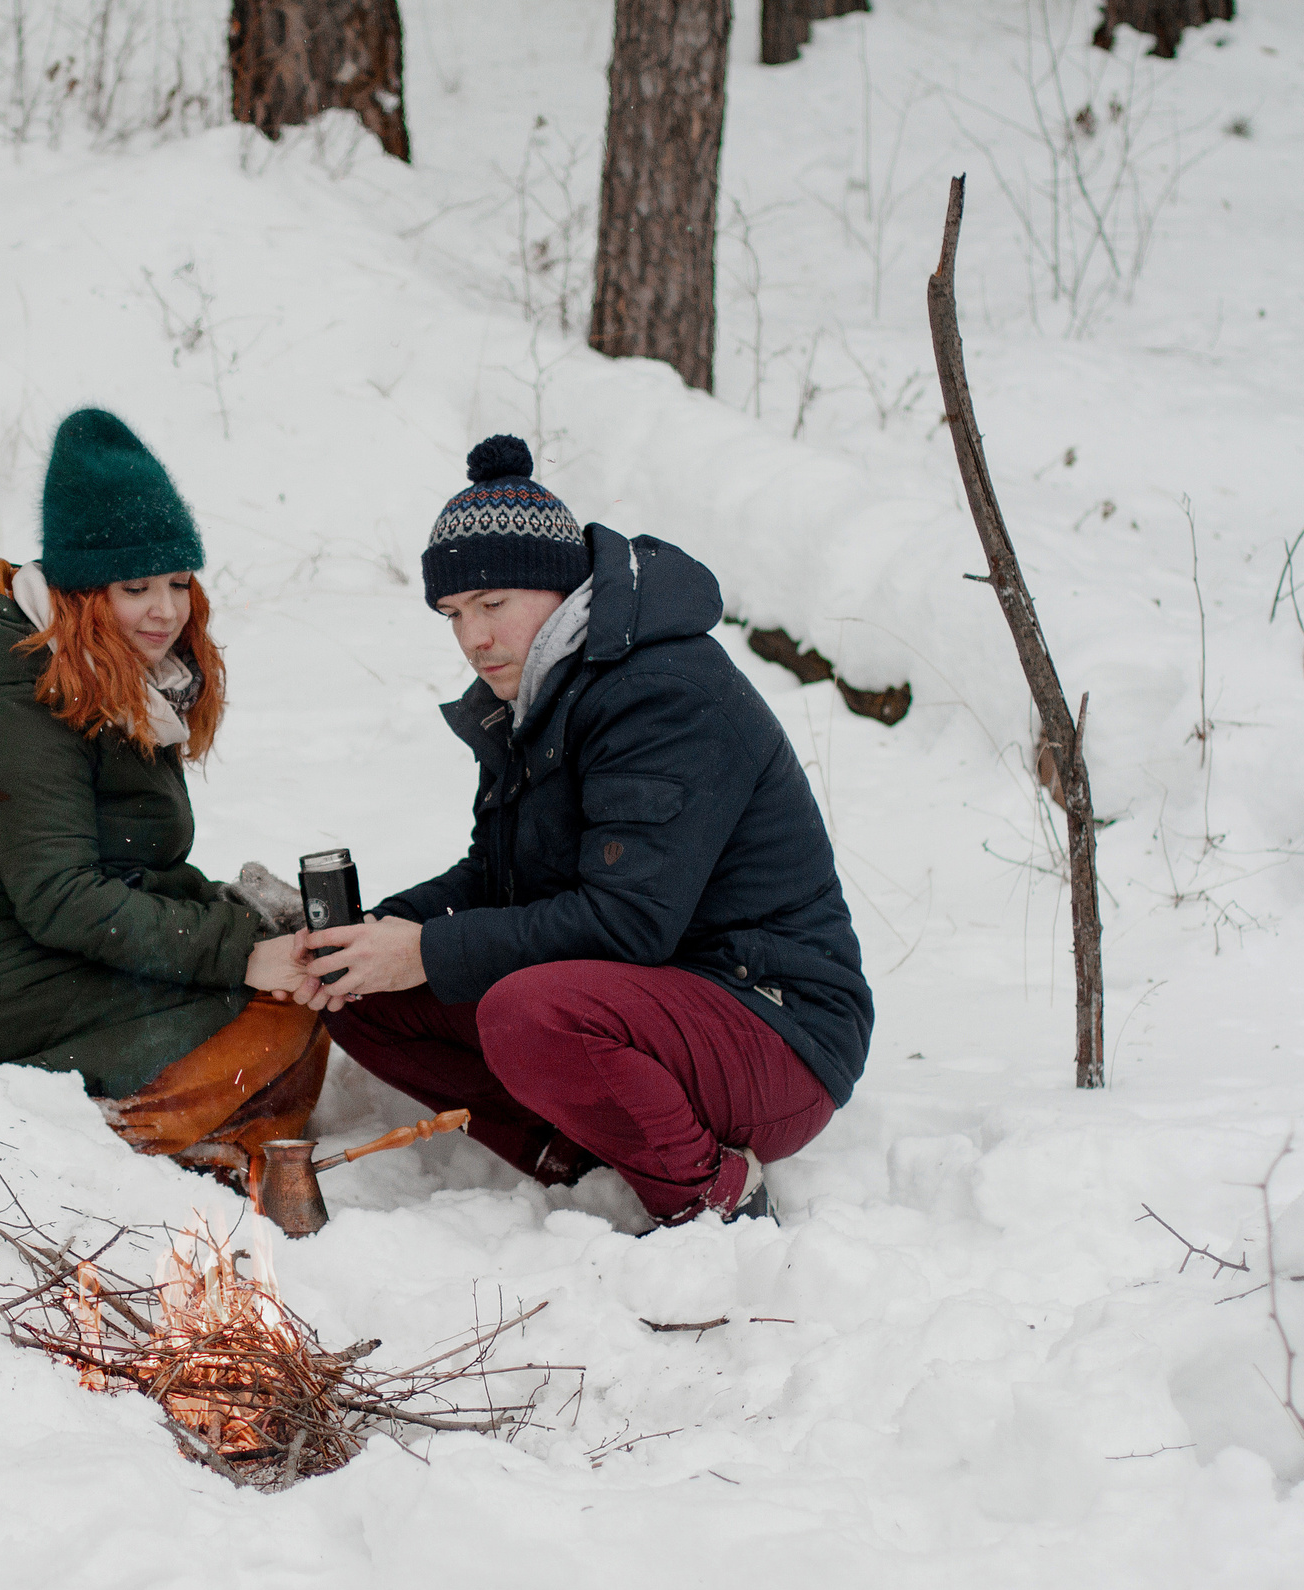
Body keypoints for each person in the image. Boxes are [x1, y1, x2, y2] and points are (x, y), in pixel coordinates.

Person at [292, 435, 872, 1224]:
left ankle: (714, 1196)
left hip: (773, 1025)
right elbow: (495, 876)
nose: (473, 638)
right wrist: (375, 935)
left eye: (492, 604)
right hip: (647, 1003)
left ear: (561, 585)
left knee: (527, 1012)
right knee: (362, 992)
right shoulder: (535, 692)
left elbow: (629, 921)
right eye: (454, 614)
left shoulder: (663, 689)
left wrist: (424, 949)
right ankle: (576, 1156)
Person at [0, 407, 322, 1182]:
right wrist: (241, 952)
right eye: (136, 586)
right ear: (81, 591)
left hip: (31, 949)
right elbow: (64, 897)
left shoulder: (122, 676)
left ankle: (195, 1123)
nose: (166, 609)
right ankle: (111, 1147)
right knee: (254, 1013)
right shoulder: (17, 704)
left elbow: (125, 864)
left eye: (178, 582)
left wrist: (242, 917)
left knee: (289, 1001)